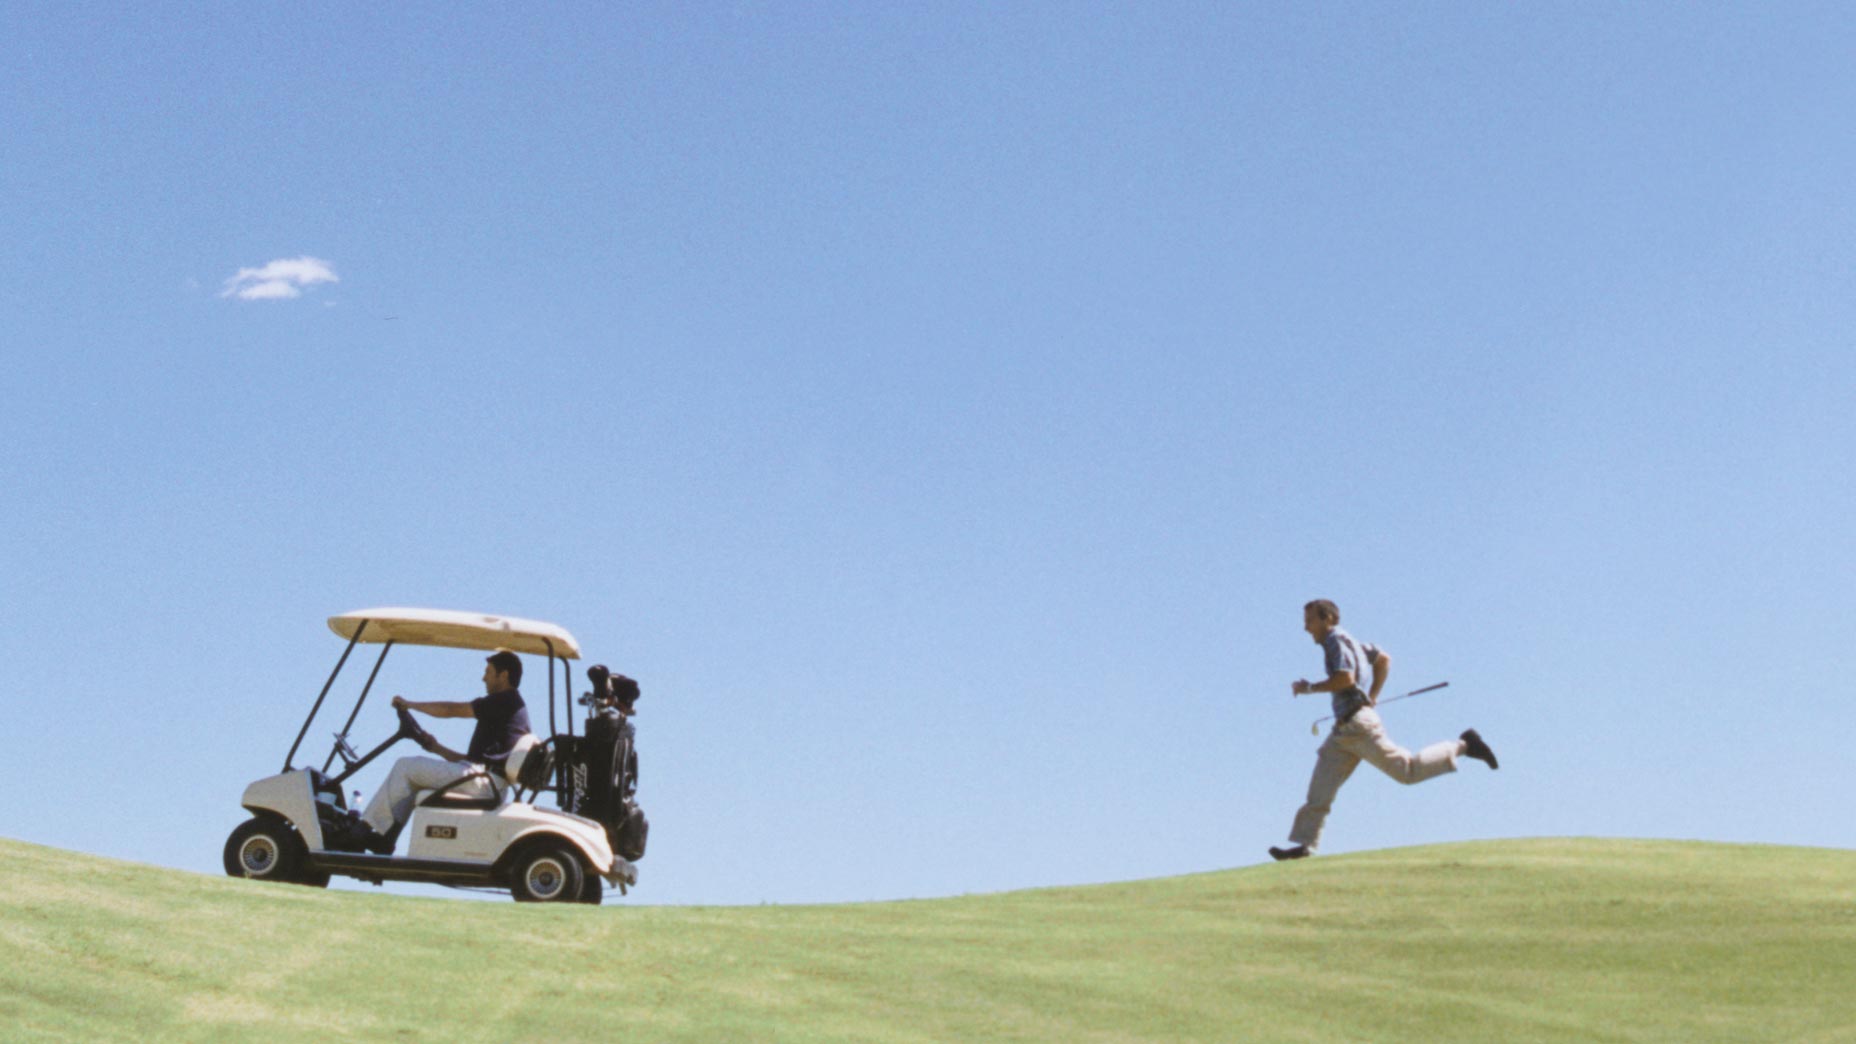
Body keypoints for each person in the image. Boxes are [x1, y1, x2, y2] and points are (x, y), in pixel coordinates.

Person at [1269, 599, 1498, 862]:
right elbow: (1383, 659)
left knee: (1408, 771)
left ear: (1327, 618)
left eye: (1310, 620)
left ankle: (1464, 744)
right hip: (1343, 731)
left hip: (1359, 726)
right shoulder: (1351, 641)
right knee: (1320, 790)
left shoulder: (1335, 641)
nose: (1306, 627)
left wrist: (1309, 688)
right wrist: (1374, 694)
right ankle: (1304, 846)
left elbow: (1346, 678)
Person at [358, 649, 533, 854]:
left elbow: (451, 710)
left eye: (488, 672)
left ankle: (363, 831)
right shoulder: (507, 705)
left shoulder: (505, 700)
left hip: (482, 781)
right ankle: (385, 839)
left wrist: (410, 705)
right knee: (414, 776)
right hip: (485, 780)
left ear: (503, 676)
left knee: (405, 766)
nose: (483, 677)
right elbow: (470, 762)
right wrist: (436, 747)